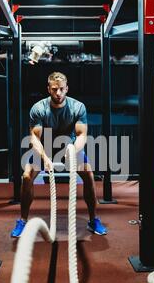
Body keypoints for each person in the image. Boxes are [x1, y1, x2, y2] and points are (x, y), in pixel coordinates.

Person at [11, 71, 107, 238]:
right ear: (48, 89)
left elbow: (81, 136)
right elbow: (34, 137)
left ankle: (93, 219)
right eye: (54, 89)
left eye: (62, 89)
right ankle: (23, 221)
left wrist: (72, 152)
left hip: (70, 147)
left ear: (67, 88)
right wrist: (45, 158)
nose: (58, 93)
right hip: (44, 148)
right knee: (26, 176)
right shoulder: (39, 108)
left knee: (89, 175)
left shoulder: (78, 107)